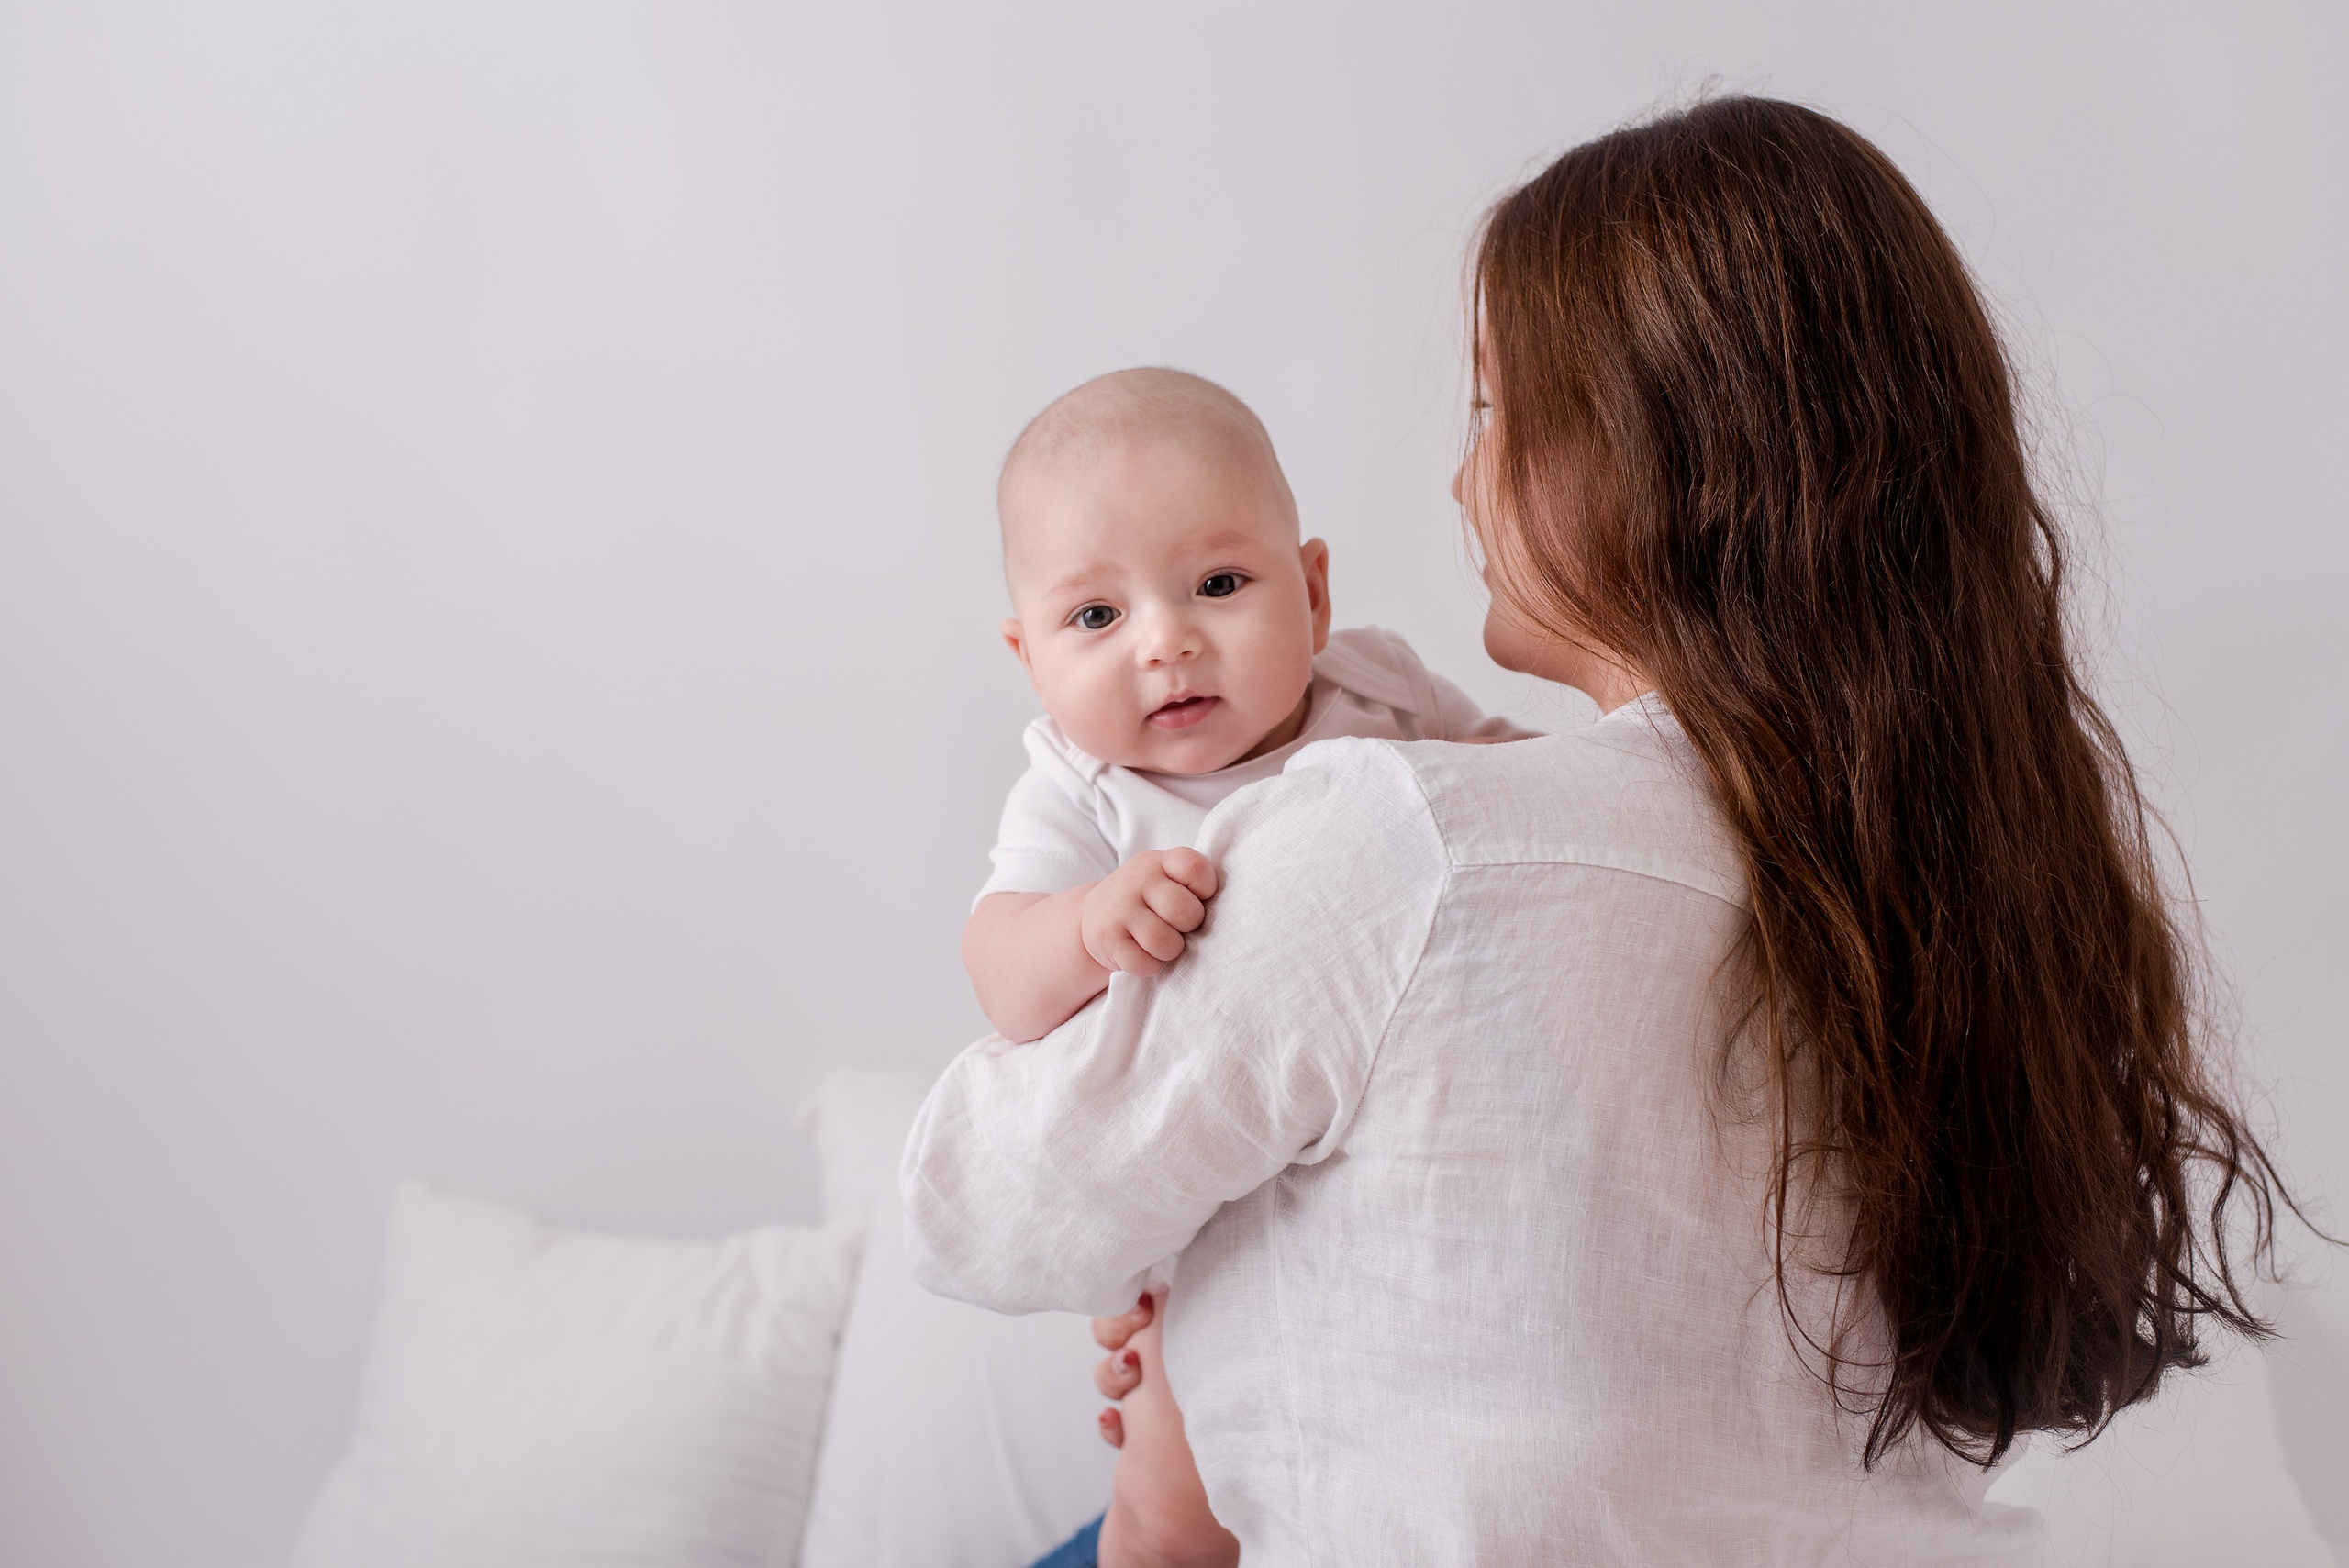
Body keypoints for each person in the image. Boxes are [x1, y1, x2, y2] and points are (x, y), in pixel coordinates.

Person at [906, 96, 2297, 1566]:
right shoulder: (1956, 875)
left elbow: (981, 1207)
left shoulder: (1401, 834)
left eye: (1492, 410)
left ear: (1648, 456)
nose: (1460, 478)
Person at [965, 366, 1530, 1564]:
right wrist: (1088, 923)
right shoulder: (1084, 791)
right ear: (1029, 658)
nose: (1166, 640)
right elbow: (1001, 972)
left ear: (1313, 593)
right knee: (1175, 1506)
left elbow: (1519, 784)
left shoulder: (1378, 688)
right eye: (1095, 617)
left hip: (1398, 1199)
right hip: (1206, 1241)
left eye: (1218, 585)